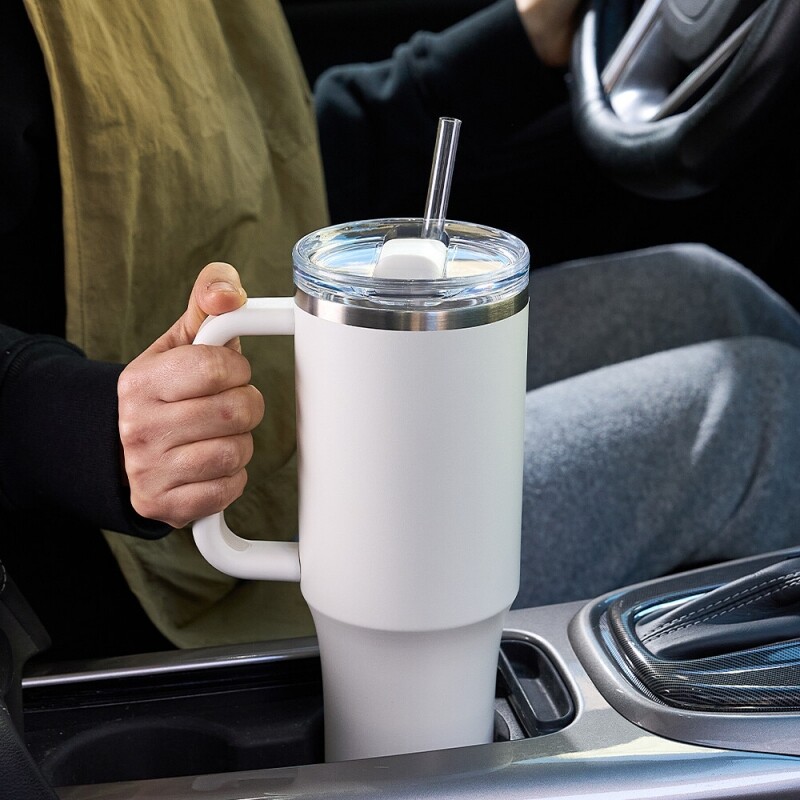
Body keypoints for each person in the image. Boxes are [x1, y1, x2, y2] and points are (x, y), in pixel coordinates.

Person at [3, 0, 799, 664]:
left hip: (282, 412)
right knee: (758, 413)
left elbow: (270, 163)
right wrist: (86, 427)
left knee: (707, 290)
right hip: (122, 560)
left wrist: (518, 43)